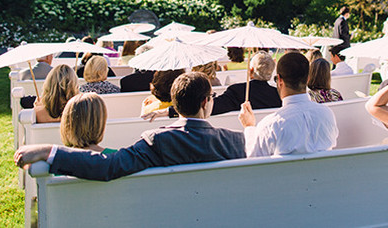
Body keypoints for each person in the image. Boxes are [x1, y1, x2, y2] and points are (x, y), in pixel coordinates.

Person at [14, 72, 246, 181]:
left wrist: (50, 151)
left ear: (175, 103)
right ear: (206, 102)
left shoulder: (157, 141)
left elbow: (108, 166)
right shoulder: (237, 141)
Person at [238, 52, 338, 157]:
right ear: (308, 78)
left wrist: (249, 127)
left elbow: (253, 161)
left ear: (279, 80)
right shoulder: (327, 115)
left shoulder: (271, 125)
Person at [144, 52, 281, 119]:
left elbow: (210, 107)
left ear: (250, 71)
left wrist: (168, 111)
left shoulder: (238, 91)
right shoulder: (279, 95)